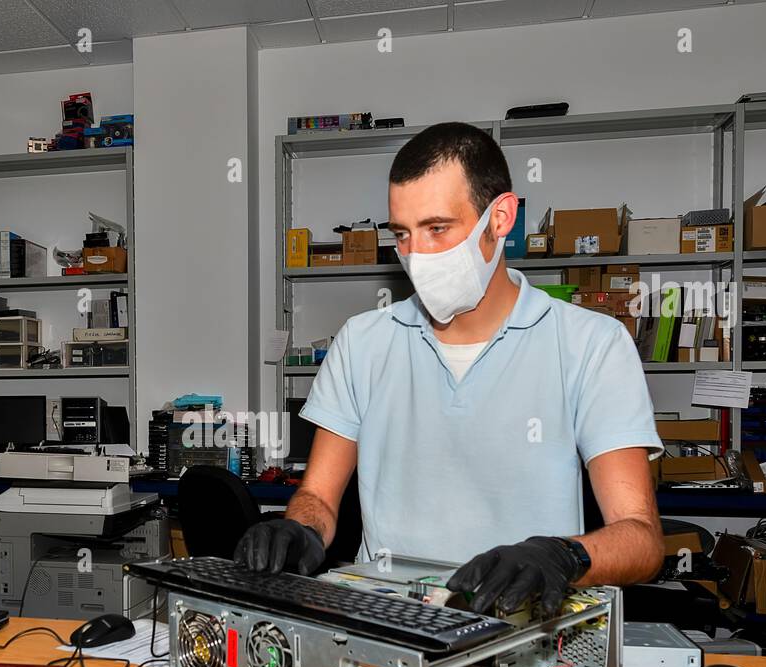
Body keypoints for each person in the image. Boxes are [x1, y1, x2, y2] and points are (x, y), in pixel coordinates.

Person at [235, 122, 664, 616]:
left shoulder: (591, 345)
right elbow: (317, 497)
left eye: (437, 229)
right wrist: (301, 529)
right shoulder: (362, 342)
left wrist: (563, 555)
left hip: (520, 632)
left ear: (500, 217)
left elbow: (642, 538)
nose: (417, 255)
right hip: (387, 624)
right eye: (402, 234)